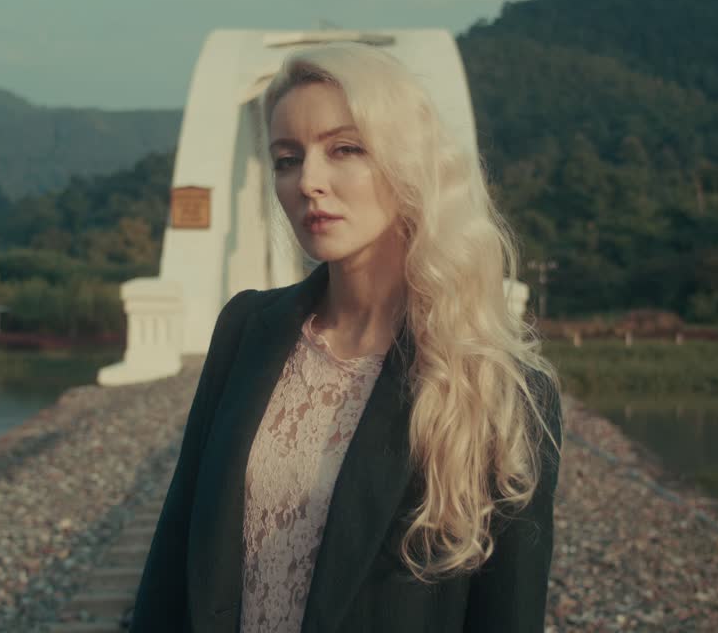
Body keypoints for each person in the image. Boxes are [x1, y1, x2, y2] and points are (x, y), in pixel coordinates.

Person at [130, 42, 563, 633]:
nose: (309, 181)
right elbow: (174, 552)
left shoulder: (498, 386)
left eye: (345, 149)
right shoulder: (246, 331)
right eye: (287, 158)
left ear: (407, 162)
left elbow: (507, 616)